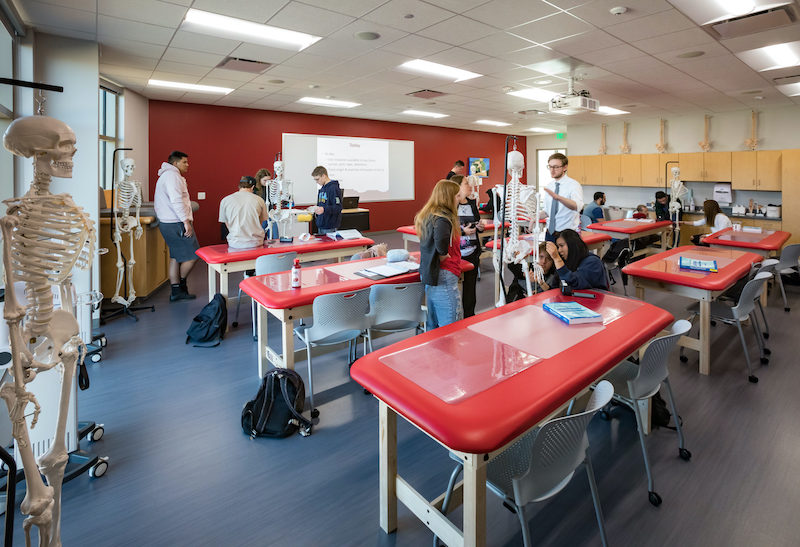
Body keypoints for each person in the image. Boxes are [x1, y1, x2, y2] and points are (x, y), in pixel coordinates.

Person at [415, 179, 463, 329]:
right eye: (457, 196)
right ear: (448, 197)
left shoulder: (429, 215)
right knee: (449, 327)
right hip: (444, 275)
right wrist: (445, 256)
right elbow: (441, 246)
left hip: (432, 274)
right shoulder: (443, 219)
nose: (459, 200)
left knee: (433, 325)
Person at [154, 150, 198, 302]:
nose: (187, 164)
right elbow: (176, 200)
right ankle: (181, 283)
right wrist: (186, 222)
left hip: (167, 222)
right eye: (184, 162)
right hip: (176, 222)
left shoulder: (167, 175)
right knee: (193, 255)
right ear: (175, 163)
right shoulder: (172, 176)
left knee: (175, 257)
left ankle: (176, 291)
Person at [452, 174, 486, 318]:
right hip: (456, 252)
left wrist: (480, 227)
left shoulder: (472, 203)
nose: (469, 186)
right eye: (466, 183)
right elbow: (447, 228)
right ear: (457, 187)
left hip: (472, 250)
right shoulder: (452, 204)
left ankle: (469, 316)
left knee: (470, 288)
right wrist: (462, 231)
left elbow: (477, 222)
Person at [542, 153, 583, 241]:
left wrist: (559, 198)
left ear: (565, 167)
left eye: (556, 167)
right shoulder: (550, 186)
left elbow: (577, 206)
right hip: (550, 233)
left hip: (566, 235)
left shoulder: (573, 185)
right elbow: (547, 211)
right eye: (550, 167)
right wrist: (534, 217)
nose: (552, 170)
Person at [218, 176, 268, 249]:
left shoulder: (225, 200)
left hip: (235, 243)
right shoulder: (259, 200)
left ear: (239, 186)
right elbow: (260, 221)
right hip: (256, 243)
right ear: (252, 187)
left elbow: (226, 223)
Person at [311, 166, 342, 234]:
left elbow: (338, 207)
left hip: (330, 225)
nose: (316, 182)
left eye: (317, 179)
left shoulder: (333, 188)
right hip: (321, 224)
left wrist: (324, 209)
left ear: (324, 176)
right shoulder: (322, 189)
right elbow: (321, 205)